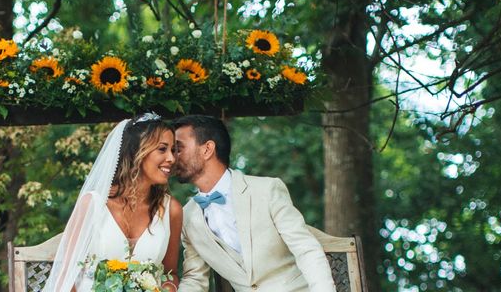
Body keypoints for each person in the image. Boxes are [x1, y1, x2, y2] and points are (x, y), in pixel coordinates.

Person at [174, 115, 336, 292]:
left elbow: (306, 250)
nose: (172, 157)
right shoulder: (187, 217)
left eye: (178, 148)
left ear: (207, 150)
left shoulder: (267, 190)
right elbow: (195, 279)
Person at [43, 113, 182, 292]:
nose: (171, 158)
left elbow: (171, 274)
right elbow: (68, 276)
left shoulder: (171, 210)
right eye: (162, 149)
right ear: (136, 152)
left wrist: (166, 289)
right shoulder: (93, 205)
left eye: (173, 150)